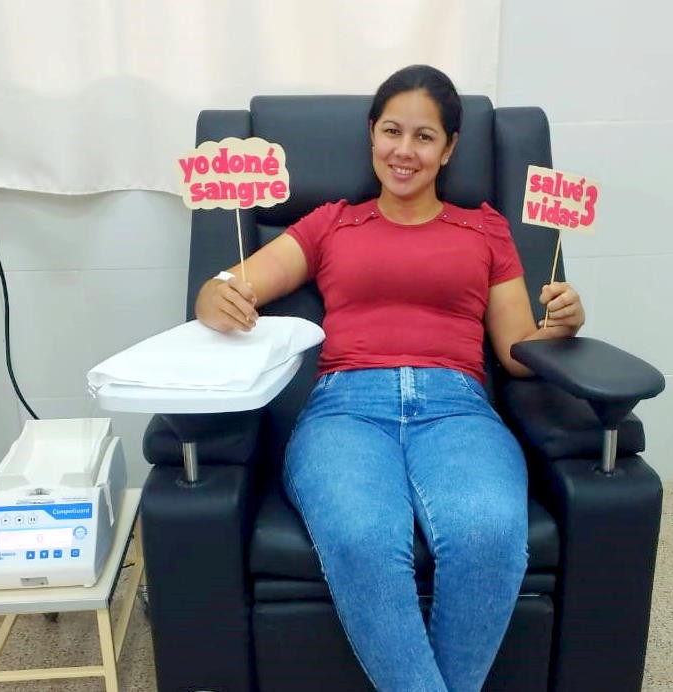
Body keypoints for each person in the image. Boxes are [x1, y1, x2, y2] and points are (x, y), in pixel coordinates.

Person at [196, 65, 585, 692]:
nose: (405, 150)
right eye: (392, 131)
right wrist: (214, 297)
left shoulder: (486, 229)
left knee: (488, 534)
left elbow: (518, 353)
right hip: (346, 409)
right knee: (363, 540)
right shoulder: (330, 223)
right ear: (372, 134)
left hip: (457, 408)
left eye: (424, 137)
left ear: (449, 148)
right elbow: (232, 287)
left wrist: (561, 326)